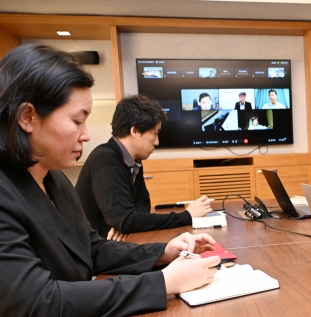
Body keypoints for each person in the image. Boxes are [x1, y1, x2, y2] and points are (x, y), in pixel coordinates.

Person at [0, 44, 221, 316]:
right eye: (77, 121)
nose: (86, 135)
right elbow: (38, 302)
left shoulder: (54, 179)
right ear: (28, 117)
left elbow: (91, 249)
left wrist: (163, 252)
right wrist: (164, 282)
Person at [76, 95, 213, 239]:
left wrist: (126, 223)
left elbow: (142, 203)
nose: (157, 142)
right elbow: (125, 220)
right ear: (134, 131)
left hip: (113, 245)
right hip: (92, 251)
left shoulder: (134, 159)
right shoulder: (106, 160)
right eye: (155, 133)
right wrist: (186, 216)